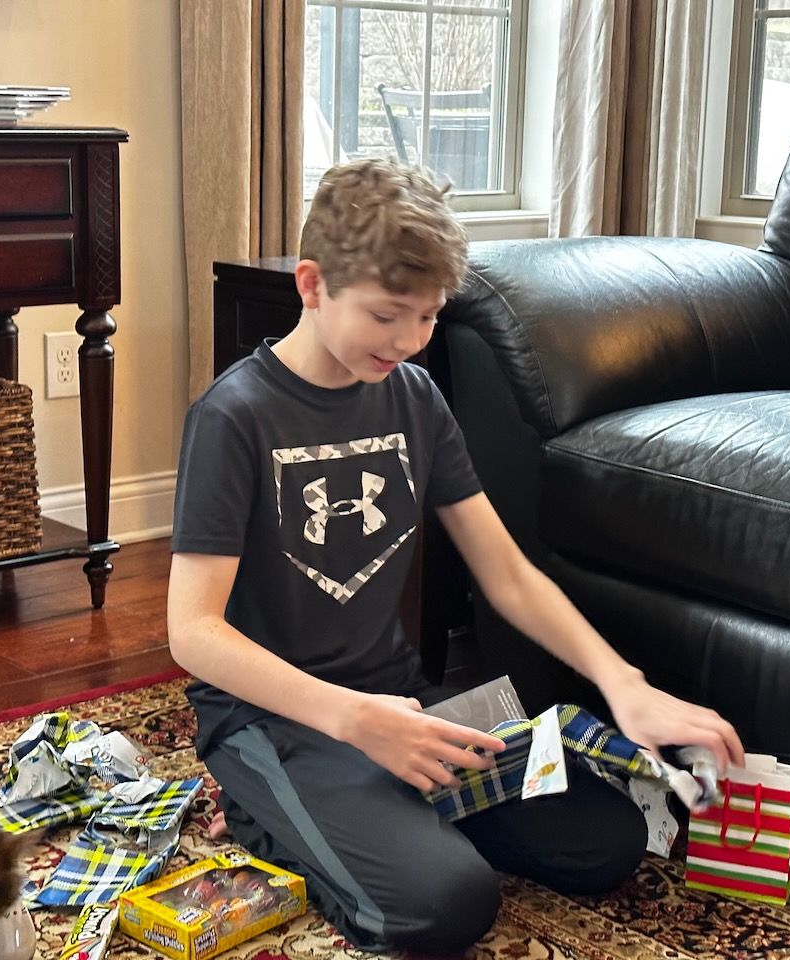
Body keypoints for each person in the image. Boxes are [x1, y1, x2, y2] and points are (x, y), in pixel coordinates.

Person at [167, 157, 744, 955]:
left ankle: (376, 817)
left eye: (429, 317)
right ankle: (267, 808)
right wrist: (351, 719)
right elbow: (191, 633)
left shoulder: (414, 397)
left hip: (404, 706)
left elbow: (505, 571)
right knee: (447, 907)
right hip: (279, 720)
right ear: (311, 284)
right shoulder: (234, 416)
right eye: (387, 315)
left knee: (605, 843)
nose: (408, 343)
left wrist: (626, 684)